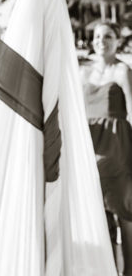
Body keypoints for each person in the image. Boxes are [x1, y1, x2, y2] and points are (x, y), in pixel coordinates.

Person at [80, 21, 132, 275]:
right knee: (99, 216)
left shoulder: (123, 70)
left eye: (108, 36)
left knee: (125, 212)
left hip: (117, 148)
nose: (102, 41)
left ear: (117, 40)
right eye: (98, 37)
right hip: (91, 151)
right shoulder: (82, 73)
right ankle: (108, 269)